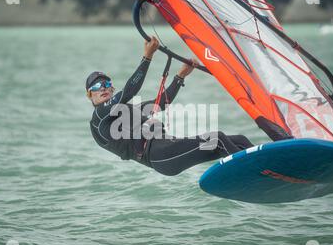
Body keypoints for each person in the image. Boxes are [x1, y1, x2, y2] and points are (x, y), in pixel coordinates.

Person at [86, 37, 254, 176]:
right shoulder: (99, 118)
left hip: (168, 147)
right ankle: (252, 173)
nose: (103, 88)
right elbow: (129, 90)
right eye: (96, 86)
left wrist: (180, 76)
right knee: (217, 139)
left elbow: (160, 103)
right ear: (89, 95)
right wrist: (147, 57)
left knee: (239, 141)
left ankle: (270, 166)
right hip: (159, 155)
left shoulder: (124, 111)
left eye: (107, 84)